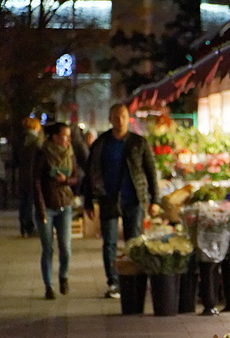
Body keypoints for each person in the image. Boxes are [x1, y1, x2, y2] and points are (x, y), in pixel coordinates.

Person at [85, 103, 160, 299]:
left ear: (128, 118)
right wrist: (88, 201)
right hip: (108, 198)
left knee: (133, 241)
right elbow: (91, 172)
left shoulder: (138, 142)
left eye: (124, 117)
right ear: (110, 119)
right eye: (116, 117)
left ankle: (133, 278)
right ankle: (114, 282)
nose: (120, 121)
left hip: (134, 198)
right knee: (109, 242)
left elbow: (151, 171)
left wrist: (155, 199)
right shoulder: (101, 143)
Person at [33, 122, 79, 299]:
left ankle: (63, 277)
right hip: (47, 207)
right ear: (54, 137)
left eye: (69, 136)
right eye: (64, 136)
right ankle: (49, 287)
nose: (67, 139)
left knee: (65, 247)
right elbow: (36, 181)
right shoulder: (43, 154)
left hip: (65, 205)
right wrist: (41, 209)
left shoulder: (70, 153)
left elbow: (76, 177)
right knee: (47, 248)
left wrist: (66, 180)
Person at [16, 117, 43, 237]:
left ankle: (23, 225)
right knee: (32, 201)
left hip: (22, 174)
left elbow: (15, 159)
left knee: (23, 200)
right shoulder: (36, 141)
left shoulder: (19, 140)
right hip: (33, 174)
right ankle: (30, 226)